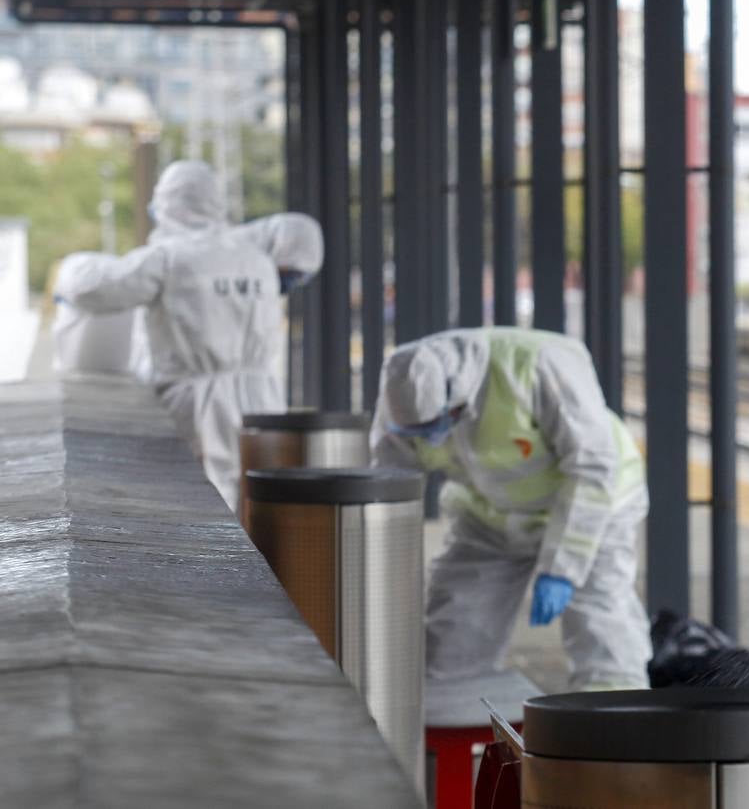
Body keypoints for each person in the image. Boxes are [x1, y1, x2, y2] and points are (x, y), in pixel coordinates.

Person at [371, 327, 650, 690]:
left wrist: (562, 568)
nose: (427, 439)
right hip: (490, 516)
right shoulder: (401, 398)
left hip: (594, 506)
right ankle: (454, 726)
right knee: (456, 630)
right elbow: (389, 485)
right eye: (417, 433)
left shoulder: (538, 365)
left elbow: (592, 465)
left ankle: (616, 726)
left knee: (601, 624)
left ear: (455, 402)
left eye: (434, 426)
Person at [54, 160, 323, 510]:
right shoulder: (256, 258)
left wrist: (72, 273)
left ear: (166, 204)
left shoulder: (168, 258)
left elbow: (98, 289)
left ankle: (227, 567)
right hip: (262, 397)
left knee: (207, 509)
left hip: (199, 403)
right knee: (261, 498)